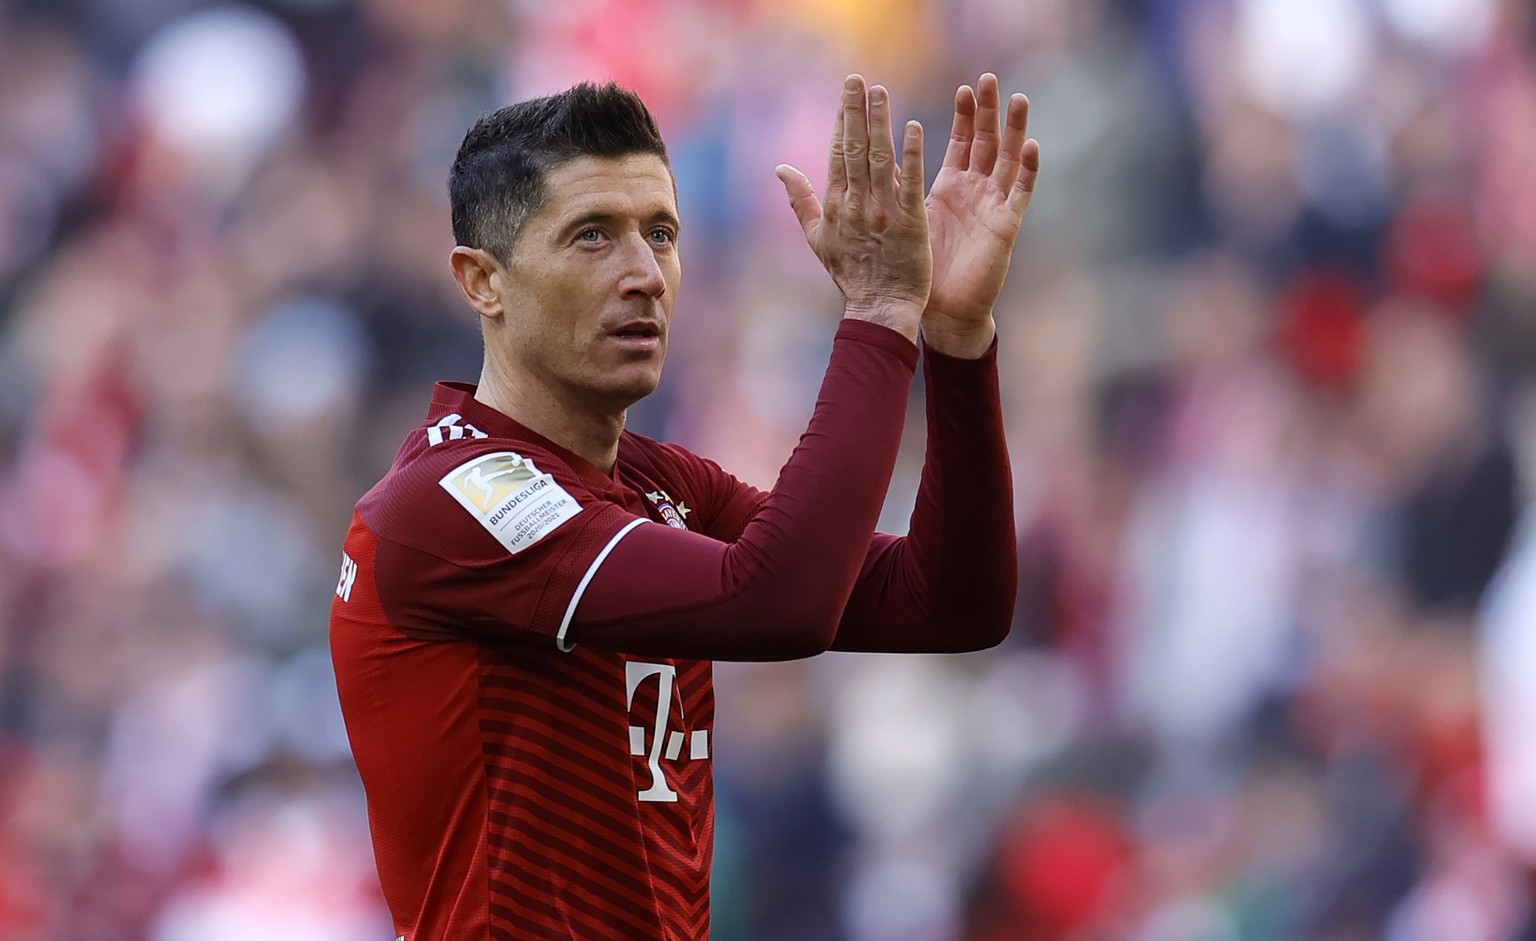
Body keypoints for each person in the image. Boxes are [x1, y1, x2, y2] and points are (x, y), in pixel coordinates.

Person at [330, 71, 1040, 941]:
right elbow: (778, 600)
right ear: (483, 282)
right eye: (592, 236)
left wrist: (956, 337)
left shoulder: (659, 485)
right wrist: (881, 312)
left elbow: (950, 602)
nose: (644, 275)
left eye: (659, 234)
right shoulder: (450, 501)